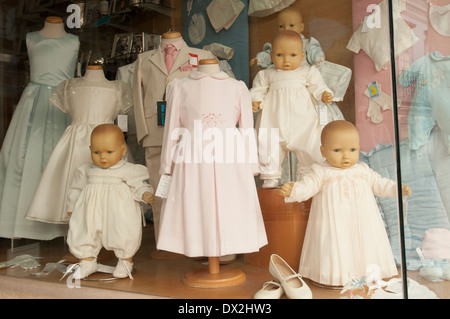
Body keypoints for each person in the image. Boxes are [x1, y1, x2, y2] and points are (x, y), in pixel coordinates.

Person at [280, 120, 412, 287]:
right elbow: (309, 185)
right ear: (323, 150)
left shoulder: (362, 170)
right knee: (337, 246)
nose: (346, 156)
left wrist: (397, 189)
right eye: (337, 150)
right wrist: (295, 189)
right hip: (335, 223)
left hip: (363, 221)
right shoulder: (321, 172)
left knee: (365, 243)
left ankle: (366, 274)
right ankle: (335, 277)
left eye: (352, 150)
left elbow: (380, 184)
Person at [66, 124, 154, 279]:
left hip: (118, 211)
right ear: (90, 149)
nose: (103, 157)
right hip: (90, 211)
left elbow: (138, 184)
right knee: (85, 230)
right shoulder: (86, 169)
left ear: (123, 150)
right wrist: (72, 205)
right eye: (97, 152)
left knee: (122, 231)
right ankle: (87, 260)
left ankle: (125, 260)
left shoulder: (128, 170)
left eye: (109, 152)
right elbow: (76, 189)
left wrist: (145, 194)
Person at [251, 30, 333, 188]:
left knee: (310, 142)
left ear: (302, 56)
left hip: (303, 120)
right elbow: (257, 91)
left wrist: (324, 94)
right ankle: (270, 176)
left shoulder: (307, 72)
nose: (286, 60)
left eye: (293, 55)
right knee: (268, 142)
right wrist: (256, 101)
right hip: (274, 119)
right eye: (280, 55)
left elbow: (318, 86)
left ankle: (309, 175)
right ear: (272, 55)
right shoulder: (266, 75)